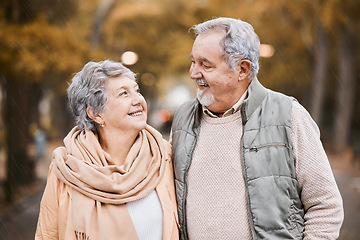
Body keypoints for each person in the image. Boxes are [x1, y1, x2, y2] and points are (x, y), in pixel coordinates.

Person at [171, 17, 343, 239]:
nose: (193, 73)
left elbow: (325, 206)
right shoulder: (183, 118)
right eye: (193, 61)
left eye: (206, 65)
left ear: (242, 69)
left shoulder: (289, 115)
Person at [35, 60, 179, 240]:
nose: (138, 100)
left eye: (137, 90)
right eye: (124, 93)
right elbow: (48, 234)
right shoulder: (67, 168)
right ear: (95, 114)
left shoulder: (164, 155)